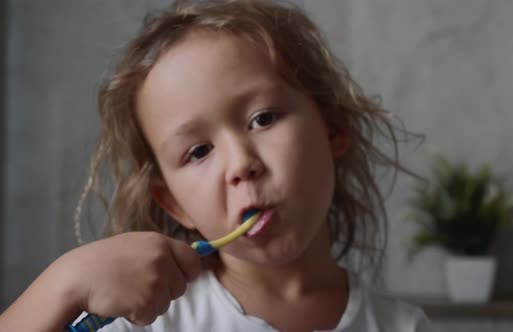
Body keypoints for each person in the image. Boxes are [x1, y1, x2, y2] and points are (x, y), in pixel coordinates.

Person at [0, 1, 430, 331]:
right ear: (174, 204)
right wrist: (65, 284)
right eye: (199, 151)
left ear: (332, 128)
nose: (241, 164)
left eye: (263, 119)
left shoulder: (404, 326)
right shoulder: (151, 320)